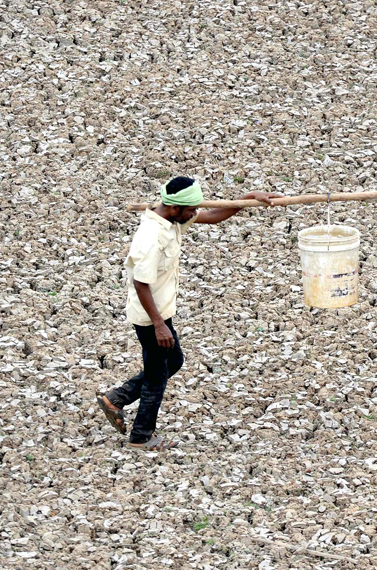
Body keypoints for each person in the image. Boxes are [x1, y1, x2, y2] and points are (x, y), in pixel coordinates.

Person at [96, 177, 280, 450]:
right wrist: (159, 325)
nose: (195, 214)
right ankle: (141, 436)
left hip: (161, 311)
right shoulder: (151, 236)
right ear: (174, 208)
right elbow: (141, 282)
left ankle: (117, 398)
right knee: (157, 375)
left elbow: (214, 216)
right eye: (190, 210)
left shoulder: (172, 219)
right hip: (150, 317)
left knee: (175, 361)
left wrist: (249, 197)